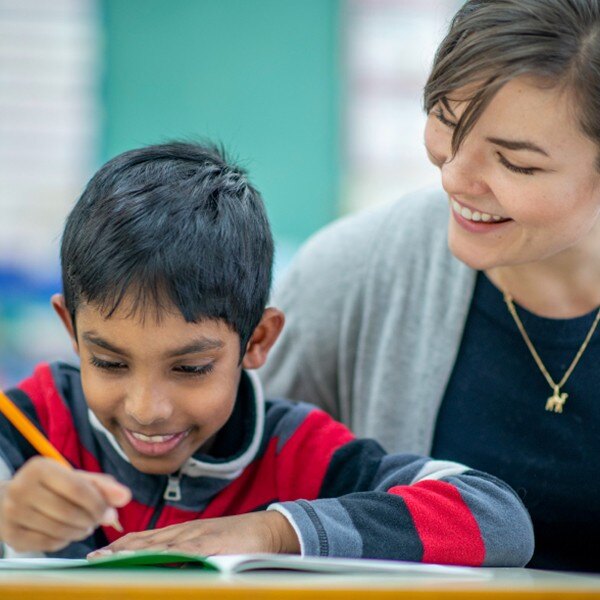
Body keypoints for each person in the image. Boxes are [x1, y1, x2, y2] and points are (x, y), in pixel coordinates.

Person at [0, 142, 533, 565]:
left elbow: (499, 521)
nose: (146, 407)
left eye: (191, 368)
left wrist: (273, 530)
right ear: (71, 331)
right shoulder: (39, 417)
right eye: (111, 363)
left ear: (257, 341)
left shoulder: (297, 451)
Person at [260, 0, 600, 573]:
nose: (453, 177)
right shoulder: (353, 272)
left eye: (515, 163)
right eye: (446, 120)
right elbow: (224, 480)